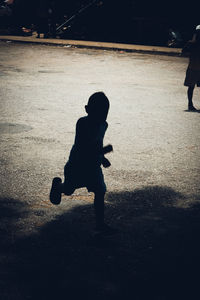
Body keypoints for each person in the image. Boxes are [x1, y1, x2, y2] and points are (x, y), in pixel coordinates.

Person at [50, 92, 116, 234]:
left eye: (105, 113)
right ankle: (57, 186)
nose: (101, 117)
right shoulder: (82, 124)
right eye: (98, 113)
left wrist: (102, 158)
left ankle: (100, 224)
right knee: (68, 190)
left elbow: (98, 142)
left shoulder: (104, 125)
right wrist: (103, 152)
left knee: (100, 191)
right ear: (87, 110)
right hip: (77, 166)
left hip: (93, 168)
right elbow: (84, 147)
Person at [182, 25, 200, 111]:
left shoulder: (191, 43)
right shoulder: (192, 43)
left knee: (191, 87)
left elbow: (183, 52)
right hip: (194, 68)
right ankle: (190, 104)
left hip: (193, 67)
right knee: (191, 87)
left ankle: (190, 104)